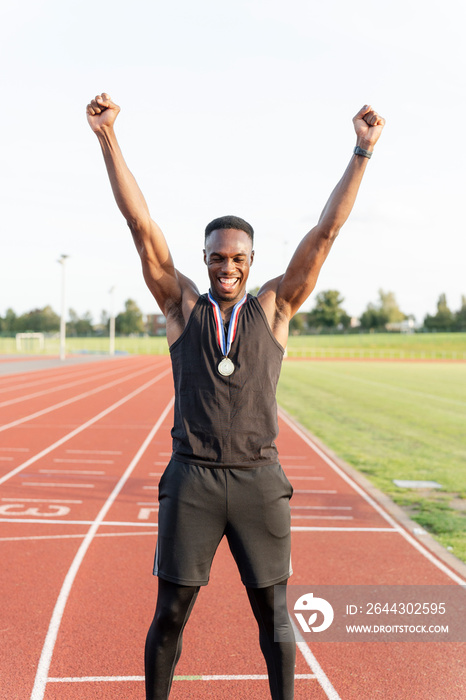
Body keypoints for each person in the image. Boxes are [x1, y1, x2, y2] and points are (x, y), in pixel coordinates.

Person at [86, 93, 385, 700]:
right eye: (218, 258)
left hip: (257, 479)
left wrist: (361, 151)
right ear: (204, 258)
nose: (228, 268)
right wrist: (107, 137)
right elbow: (141, 227)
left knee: (274, 620)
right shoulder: (182, 307)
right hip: (193, 479)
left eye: (239, 259)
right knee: (170, 616)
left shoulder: (274, 308)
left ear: (252, 262)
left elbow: (326, 233)